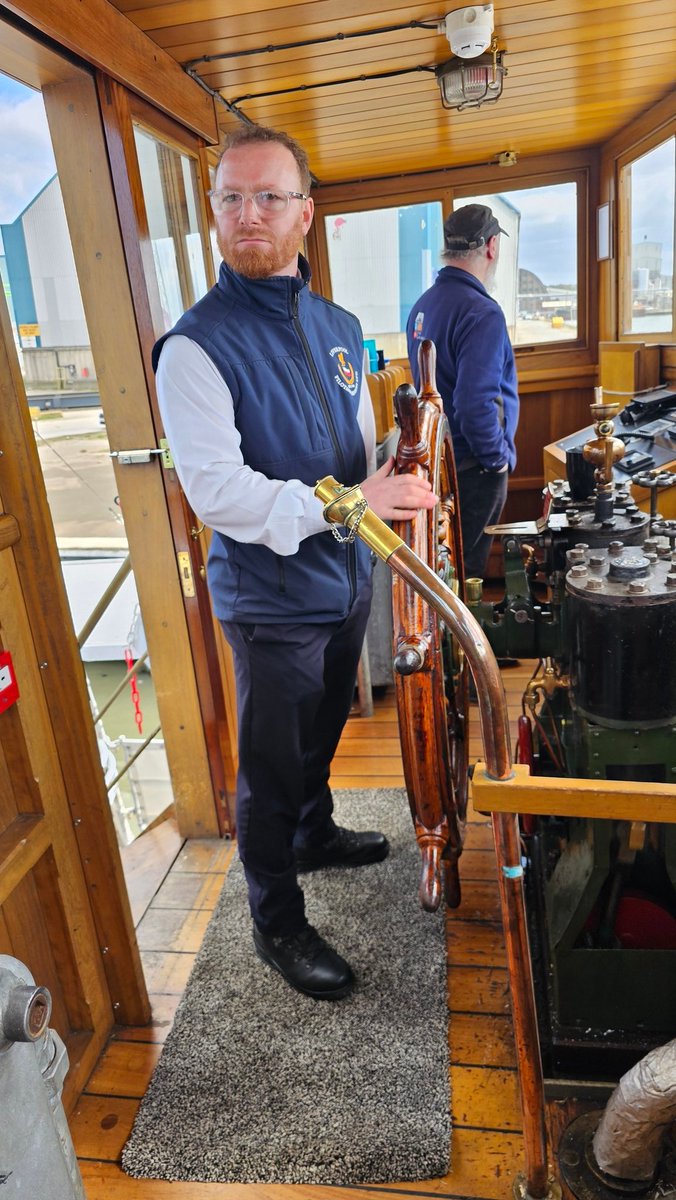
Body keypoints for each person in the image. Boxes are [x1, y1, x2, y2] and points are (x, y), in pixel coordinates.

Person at [154, 125, 437, 1002]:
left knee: (322, 730)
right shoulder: (194, 347)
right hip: (270, 596)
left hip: (344, 577)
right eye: (231, 198)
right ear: (214, 214)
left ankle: (314, 831)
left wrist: (387, 464)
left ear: (305, 215)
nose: (249, 215)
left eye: (269, 197)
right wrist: (355, 504)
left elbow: (351, 449)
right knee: (269, 767)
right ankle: (275, 915)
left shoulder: (340, 326)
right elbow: (220, 495)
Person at [406, 203, 519, 578]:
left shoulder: (423, 306)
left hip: (441, 465)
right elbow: (474, 405)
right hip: (475, 467)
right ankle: (466, 637)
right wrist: (497, 459)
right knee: (466, 575)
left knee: (445, 568)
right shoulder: (482, 312)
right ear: (491, 247)